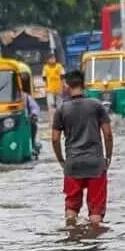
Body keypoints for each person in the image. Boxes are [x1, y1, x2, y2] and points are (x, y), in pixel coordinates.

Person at [51, 69, 113, 227]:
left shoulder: (61, 110)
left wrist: (61, 160)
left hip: (73, 164)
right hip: (95, 164)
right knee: (95, 213)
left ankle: (73, 240)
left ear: (66, 85)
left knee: (71, 209)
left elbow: (55, 138)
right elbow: (108, 134)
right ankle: (95, 246)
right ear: (84, 84)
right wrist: (108, 157)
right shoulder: (97, 106)